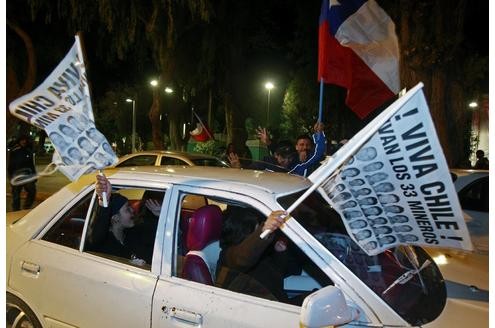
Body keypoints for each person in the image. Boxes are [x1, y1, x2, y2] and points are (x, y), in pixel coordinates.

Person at [216, 207, 302, 304]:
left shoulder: (258, 252)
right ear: (244, 232)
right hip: (263, 309)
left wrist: (280, 253)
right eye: (255, 229)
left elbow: (276, 275)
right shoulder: (229, 256)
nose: (257, 231)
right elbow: (243, 258)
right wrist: (264, 229)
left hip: (277, 303)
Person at [87, 174, 162, 264]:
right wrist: (104, 201)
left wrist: (159, 215)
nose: (132, 210)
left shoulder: (133, 234)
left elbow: (156, 239)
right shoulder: (103, 242)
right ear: (115, 218)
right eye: (127, 209)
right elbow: (98, 230)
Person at [7, 135, 37, 211]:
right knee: (16, 195)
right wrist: (10, 177)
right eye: (22, 140)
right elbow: (10, 164)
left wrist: (34, 176)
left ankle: (26, 207)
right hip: (16, 175)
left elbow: (31, 164)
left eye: (25, 140)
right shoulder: (14, 151)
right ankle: (16, 211)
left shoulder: (29, 151)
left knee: (32, 191)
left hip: (27, 175)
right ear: (19, 141)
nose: (24, 141)